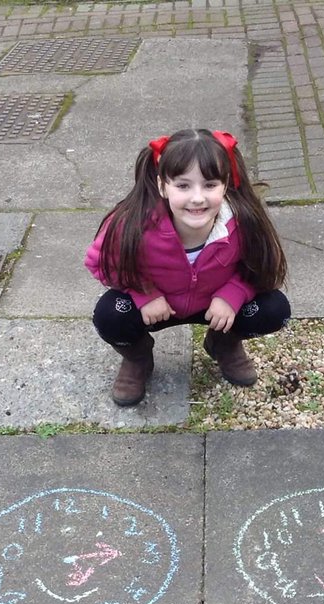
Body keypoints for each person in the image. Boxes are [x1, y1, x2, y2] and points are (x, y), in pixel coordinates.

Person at [86, 128, 291, 406]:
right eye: (183, 186)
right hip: (158, 308)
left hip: (216, 307)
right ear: (162, 186)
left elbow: (264, 268)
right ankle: (137, 358)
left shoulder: (242, 223)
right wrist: (145, 294)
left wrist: (232, 295)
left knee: (274, 309)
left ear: (226, 184)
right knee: (110, 316)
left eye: (209, 185)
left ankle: (223, 343)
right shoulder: (133, 224)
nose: (197, 198)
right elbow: (101, 262)